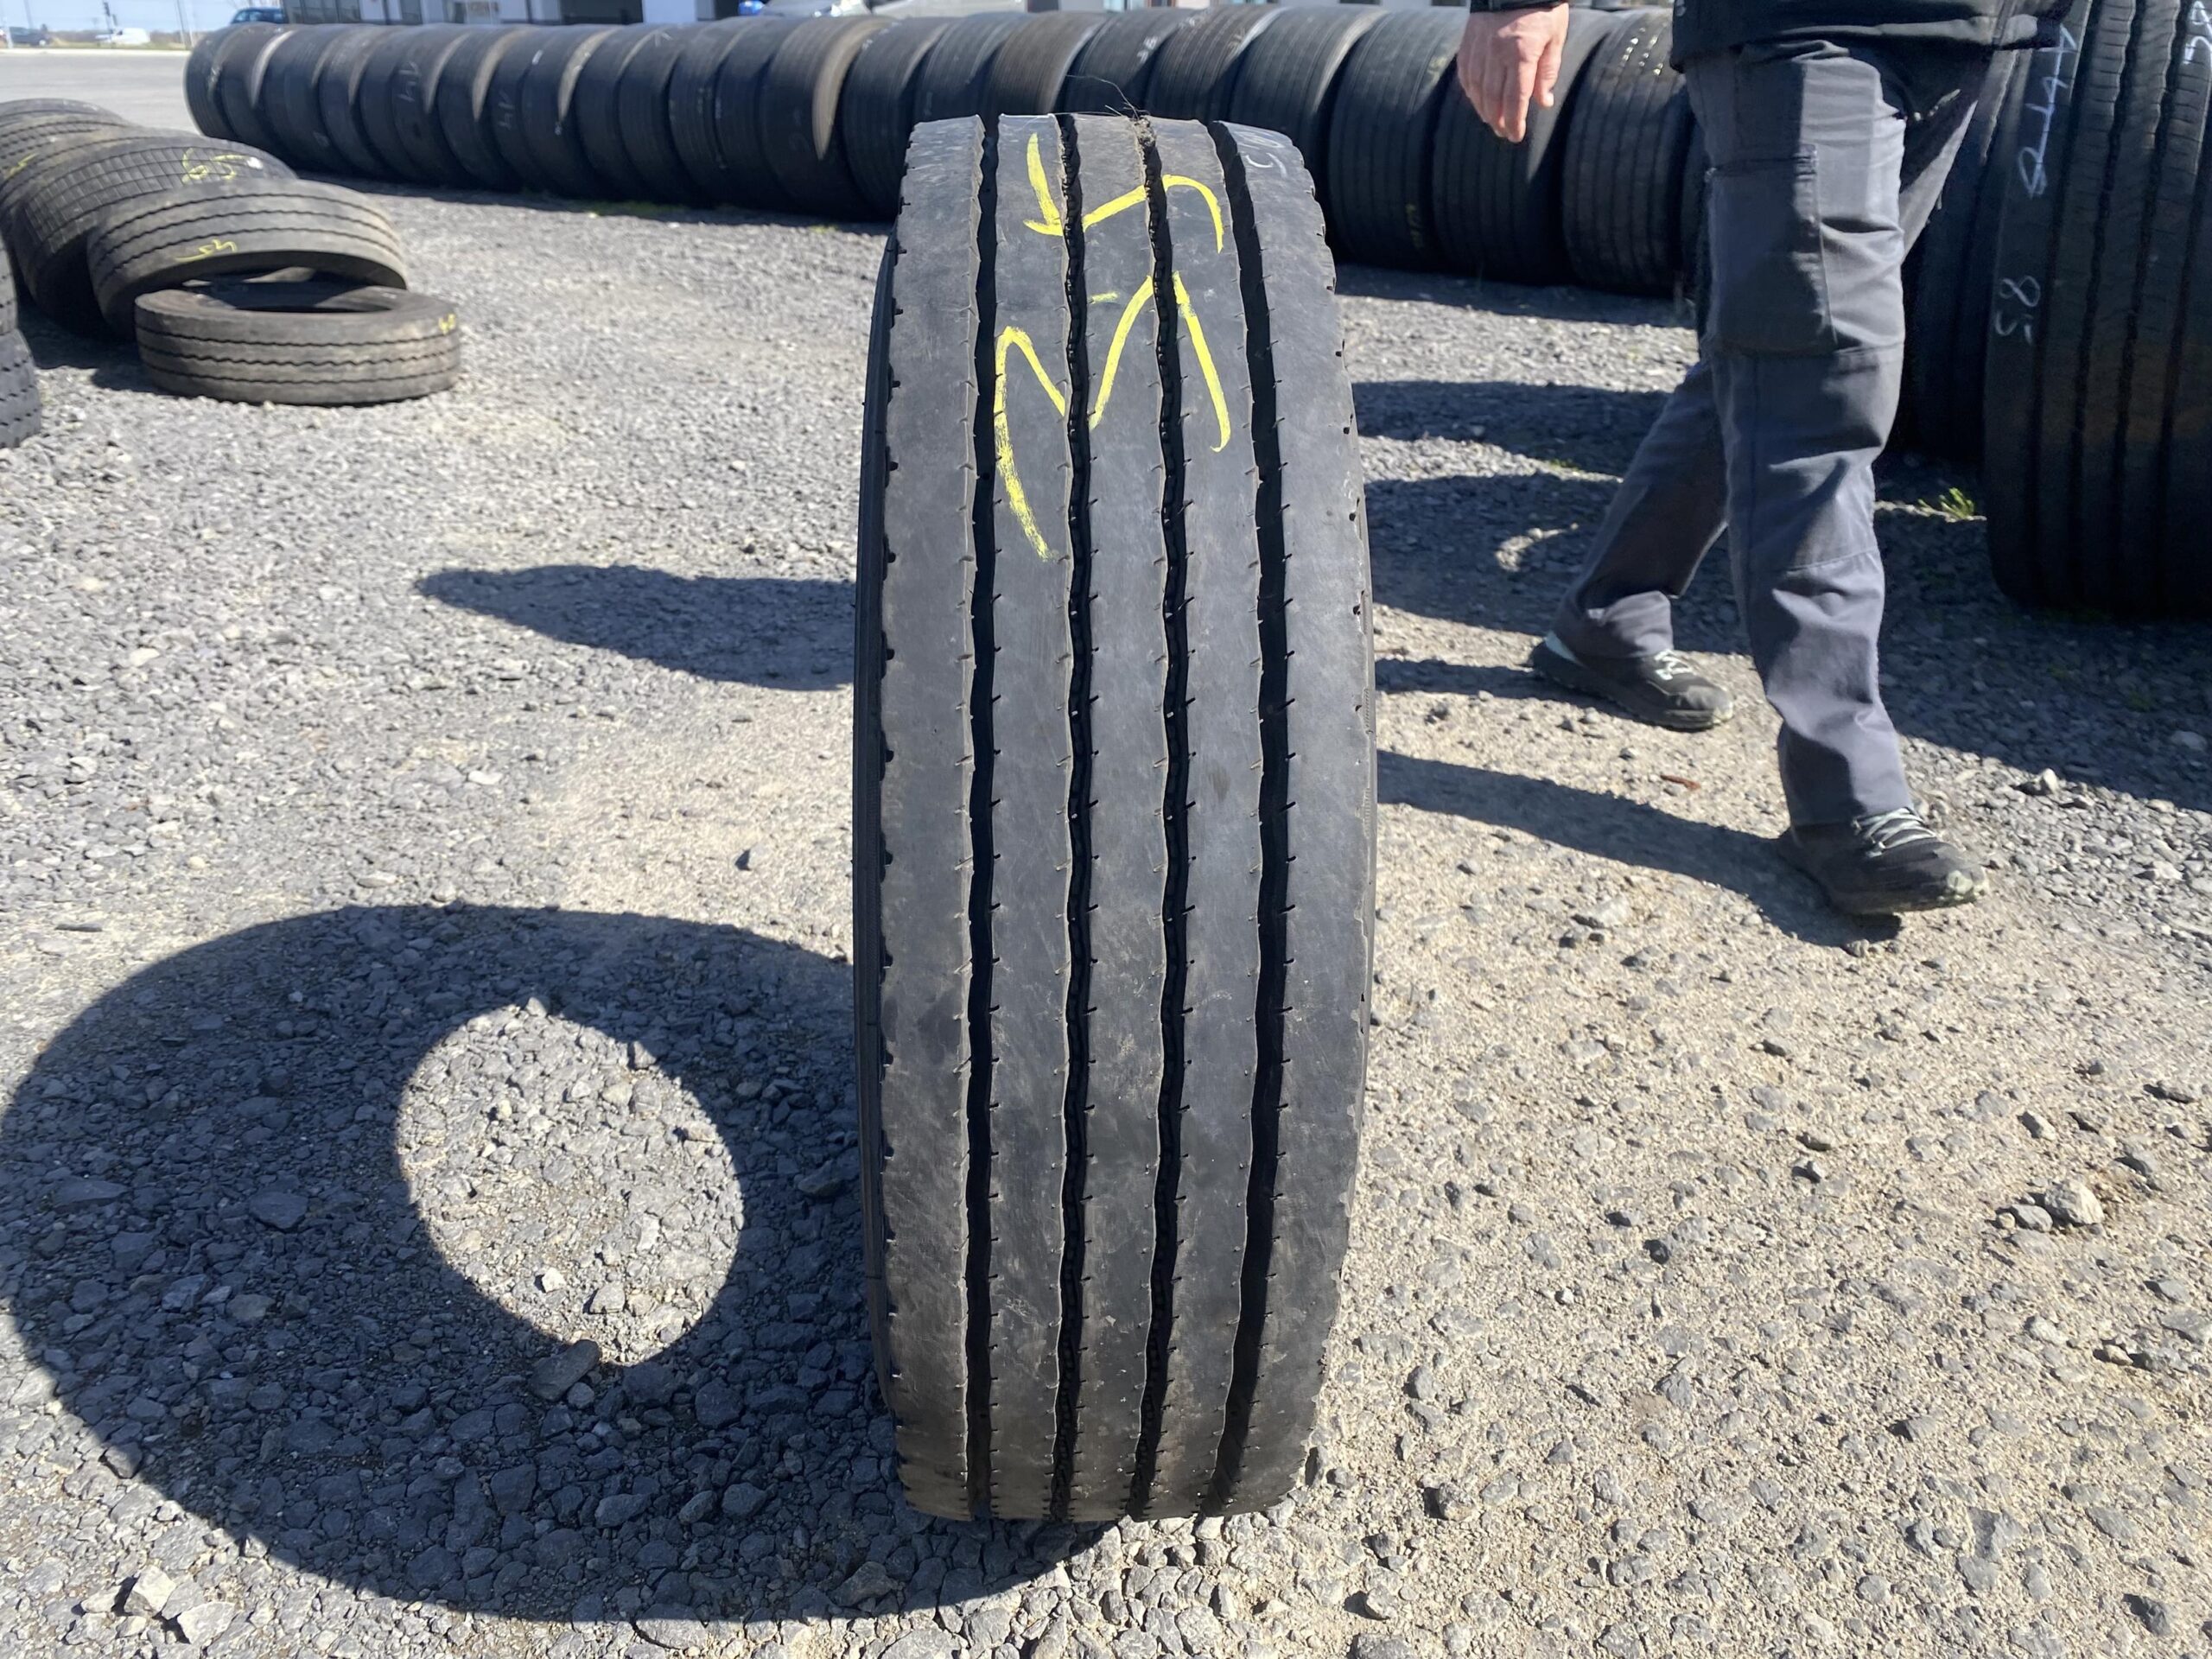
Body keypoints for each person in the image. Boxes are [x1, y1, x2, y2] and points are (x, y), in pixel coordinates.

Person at [1459, 0, 2059, 916]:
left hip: (1969, 29)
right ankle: (1849, 800)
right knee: (1819, 385)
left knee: (1768, 356)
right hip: (1807, 24)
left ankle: (1605, 619)